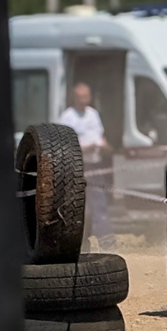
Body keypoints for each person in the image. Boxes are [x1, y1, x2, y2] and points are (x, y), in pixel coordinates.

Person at [53, 82, 113, 238]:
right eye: (80, 97)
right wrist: (84, 148)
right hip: (77, 168)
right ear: (74, 97)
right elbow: (64, 144)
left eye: (85, 96)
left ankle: (106, 242)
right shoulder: (67, 117)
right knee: (77, 207)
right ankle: (78, 240)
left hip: (95, 165)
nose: (83, 100)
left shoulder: (93, 114)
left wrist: (106, 147)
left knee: (100, 205)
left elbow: (100, 136)